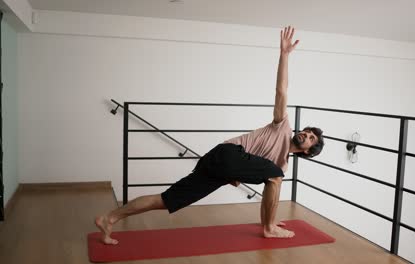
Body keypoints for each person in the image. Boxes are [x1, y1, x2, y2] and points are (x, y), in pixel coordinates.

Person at [95, 26, 324, 245]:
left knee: (166, 200)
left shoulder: (280, 165)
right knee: (275, 177)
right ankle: (269, 228)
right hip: (228, 153)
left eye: (311, 138)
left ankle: (109, 218)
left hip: (219, 166)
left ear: (307, 152)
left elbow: (256, 173)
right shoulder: (282, 127)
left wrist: (237, 176)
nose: (306, 134)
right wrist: (284, 55)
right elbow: (281, 90)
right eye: (308, 131)